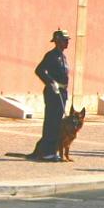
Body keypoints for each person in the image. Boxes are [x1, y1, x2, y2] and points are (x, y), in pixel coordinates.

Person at [29, 29, 70, 161]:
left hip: (62, 92)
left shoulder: (63, 56)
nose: (67, 42)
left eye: (67, 40)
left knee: (58, 123)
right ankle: (47, 152)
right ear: (58, 41)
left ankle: (53, 150)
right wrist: (51, 82)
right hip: (53, 92)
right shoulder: (51, 55)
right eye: (65, 40)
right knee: (51, 122)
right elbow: (39, 70)